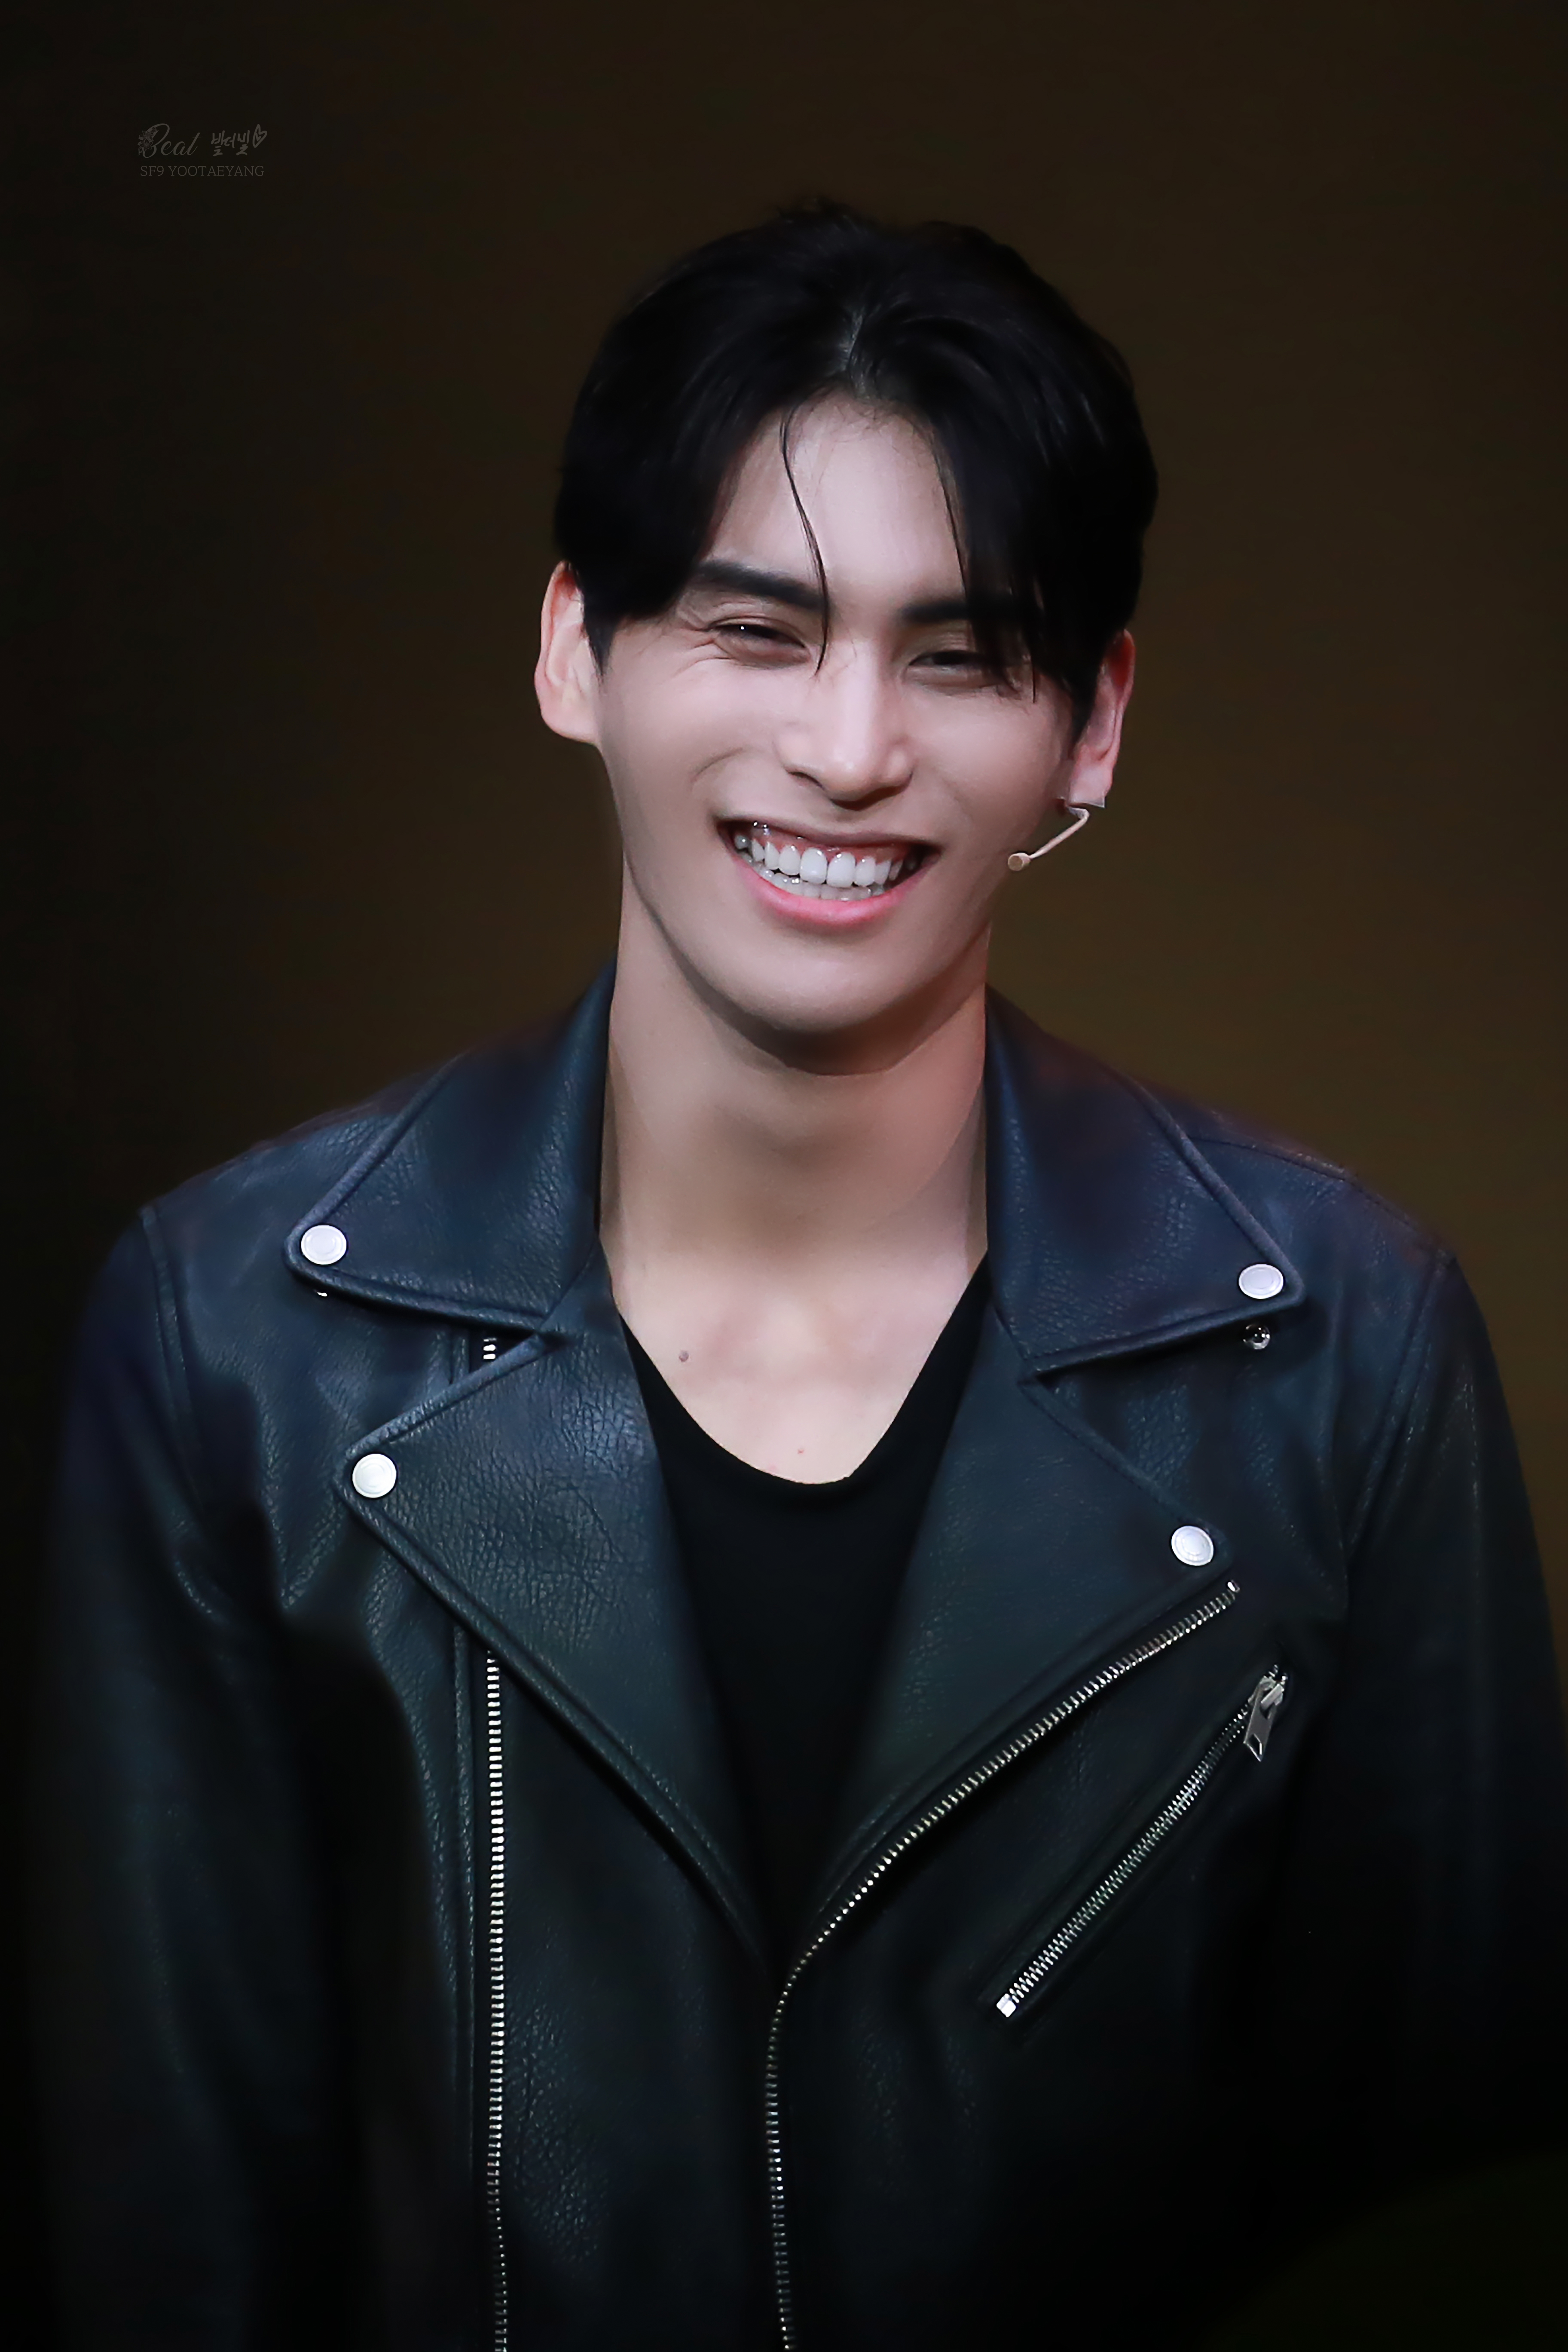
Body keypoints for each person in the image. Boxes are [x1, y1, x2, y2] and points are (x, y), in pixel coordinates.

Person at [34, 204, 1568, 2350]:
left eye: (960, 654)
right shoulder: (231, 1337)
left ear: (1092, 723)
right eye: (755, 630)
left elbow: (1455, 2244)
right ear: (574, 650)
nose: (850, 749)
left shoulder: (1345, 1344)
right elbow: (163, 2240)